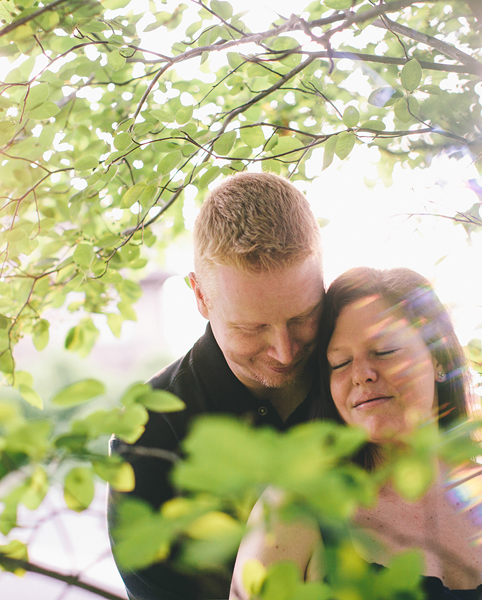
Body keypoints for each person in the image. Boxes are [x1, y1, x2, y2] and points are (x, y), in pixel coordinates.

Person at [231, 267, 482, 600]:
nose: (362, 374)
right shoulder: (295, 509)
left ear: (438, 358)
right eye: (339, 363)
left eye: (383, 351)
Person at [109, 172, 326, 600]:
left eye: (302, 317)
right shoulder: (149, 434)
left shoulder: (359, 370)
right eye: (251, 327)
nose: (284, 351)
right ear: (200, 297)